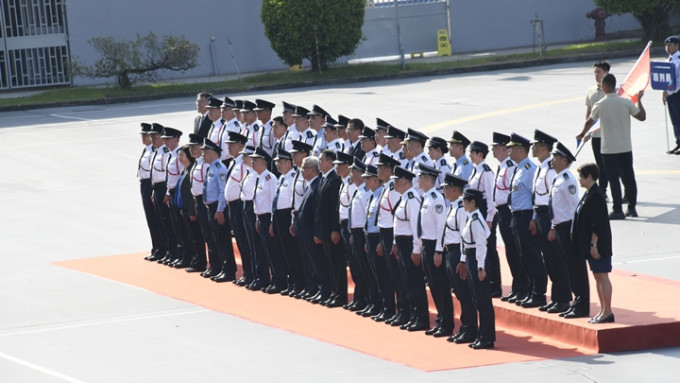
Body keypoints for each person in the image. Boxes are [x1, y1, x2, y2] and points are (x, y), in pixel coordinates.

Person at [578, 73, 646, 219]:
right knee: (629, 177)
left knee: (613, 179)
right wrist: (639, 101)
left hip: (608, 148)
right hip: (625, 147)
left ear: (605, 86)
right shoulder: (626, 102)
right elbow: (642, 117)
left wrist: (583, 133)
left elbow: (590, 121)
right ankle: (632, 208)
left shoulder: (600, 104)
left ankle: (618, 210)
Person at [530, 130, 571, 312]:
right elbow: (537, 196)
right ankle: (556, 297)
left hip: (548, 214)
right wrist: (534, 218)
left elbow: (553, 198)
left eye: (535, 145)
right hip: (540, 214)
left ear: (544, 148)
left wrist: (552, 224)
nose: (532, 148)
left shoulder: (550, 171)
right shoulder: (541, 168)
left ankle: (563, 298)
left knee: (555, 258)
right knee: (549, 258)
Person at [507, 133, 547, 308]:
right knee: (522, 256)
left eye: (512, 149)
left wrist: (533, 219)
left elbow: (535, 196)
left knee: (532, 255)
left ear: (521, 151)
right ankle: (529, 290)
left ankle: (539, 293)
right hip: (517, 216)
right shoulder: (519, 168)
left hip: (526, 216)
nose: (508, 152)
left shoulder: (530, 169)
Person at [572, 163, 614, 323]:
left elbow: (597, 223)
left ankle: (608, 311)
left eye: (581, 176)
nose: (579, 180)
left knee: (602, 276)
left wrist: (593, 245)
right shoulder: (589, 193)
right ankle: (603, 310)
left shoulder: (596, 195)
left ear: (589, 177)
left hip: (598, 244)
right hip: (591, 244)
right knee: (597, 276)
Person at [391, 167, 429, 332]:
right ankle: (414, 316)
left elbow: (415, 226)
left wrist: (416, 249)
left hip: (409, 244)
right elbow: (398, 223)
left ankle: (421, 318)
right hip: (401, 243)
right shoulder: (404, 197)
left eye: (396, 180)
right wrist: (394, 242)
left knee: (415, 282)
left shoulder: (412, 199)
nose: (393, 183)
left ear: (404, 181)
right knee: (407, 281)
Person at [491, 132, 526, 302]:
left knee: (515, 250)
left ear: (505, 149)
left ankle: (522, 287)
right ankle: (516, 286)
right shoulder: (503, 166)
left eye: (496, 147)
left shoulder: (511, 167)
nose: (493, 150)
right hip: (501, 212)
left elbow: (514, 192)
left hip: (508, 211)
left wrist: (511, 212)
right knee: (510, 252)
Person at [416, 164, 450, 338]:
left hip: (433, 246)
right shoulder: (426, 196)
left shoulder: (436, 198)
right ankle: (440, 320)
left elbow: (440, 226)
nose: (418, 180)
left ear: (428, 179)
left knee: (440, 285)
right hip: (426, 244)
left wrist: (438, 250)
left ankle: (446, 323)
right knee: (433, 285)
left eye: (421, 177)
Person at [442, 174, 477, 344]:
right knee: (458, 291)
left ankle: (470, 329)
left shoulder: (461, 209)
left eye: (447, 188)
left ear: (455, 190)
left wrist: (462, 260)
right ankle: (465, 327)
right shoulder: (453, 206)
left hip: (458, 253)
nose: (444, 190)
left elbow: (464, 235)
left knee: (464, 292)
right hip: (450, 251)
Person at [459, 188, 495, 349]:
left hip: (477, 259)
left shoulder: (476, 220)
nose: (463, 203)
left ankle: (487, 337)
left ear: (472, 202)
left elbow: (481, 244)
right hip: (471, 257)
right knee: (477, 298)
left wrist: (481, 267)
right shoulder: (471, 218)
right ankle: (482, 335)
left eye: (465, 201)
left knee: (483, 300)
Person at [250, 147, 288, 293]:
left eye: (255, 161)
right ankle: (273, 279)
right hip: (261, 217)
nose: (252, 163)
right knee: (266, 251)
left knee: (274, 251)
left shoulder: (270, 178)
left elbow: (273, 201)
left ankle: (279, 280)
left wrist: (272, 222)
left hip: (268, 218)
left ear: (263, 163)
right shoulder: (259, 177)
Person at [548, 142, 579, 315]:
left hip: (568, 228)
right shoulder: (558, 177)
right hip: (559, 227)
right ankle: (566, 301)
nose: (552, 160)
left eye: (555, 157)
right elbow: (557, 208)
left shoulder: (567, 180)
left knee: (571, 267)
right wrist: (553, 226)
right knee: (561, 265)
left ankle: (573, 301)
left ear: (563, 159)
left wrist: (574, 231)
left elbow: (574, 207)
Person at [467, 140, 500, 297]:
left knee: (490, 249)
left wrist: (489, 219)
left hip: (484, 212)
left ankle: (494, 284)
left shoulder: (486, 172)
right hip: (476, 212)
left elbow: (490, 197)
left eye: (472, 153)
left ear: (480, 154)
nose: (470, 156)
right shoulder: (476, 169)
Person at [314, 150, 346, 307]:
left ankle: (341, 294)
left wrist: (335, 229)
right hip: (324, 230)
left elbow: (335, 208)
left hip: (331, 230)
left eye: (321, 160)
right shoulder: (324, 179)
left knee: (337, 263)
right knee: (330, 263)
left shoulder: (334, 180)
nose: (319, 162)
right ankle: (335, 292)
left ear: (329, 162)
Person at [201, 138, 236, 282]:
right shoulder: (211, 167)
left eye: (206, 152)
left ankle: (228, 270)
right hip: (211, 207)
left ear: (215, 154)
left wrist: (220, 209)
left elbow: (223, 191)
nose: (203, 155)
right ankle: (221, 267)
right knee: (215, 240)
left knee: (223, 240)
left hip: (218, 208)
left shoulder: (220, 168)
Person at [271, 149, 304, 296]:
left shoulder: (293, 177)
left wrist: (291, 221)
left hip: (287, 216)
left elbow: (294, 202)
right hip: (278, 216)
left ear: (288, 162)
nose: (277, 164)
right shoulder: (282, 178)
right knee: (282, 251)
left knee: (291, 252)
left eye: (280, 162)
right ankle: (290, 282)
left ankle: (297, 283)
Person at [584, 61, 610, 194]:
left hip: (609, 134)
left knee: (611, 165)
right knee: (599, 164)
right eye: (595, 72)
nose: (596, 74)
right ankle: (603, 190)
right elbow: (589, 113)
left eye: (598, 71)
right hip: (596, 135)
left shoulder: (613, 91)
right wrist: (586, 131)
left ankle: (626, 192)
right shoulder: (591, 91)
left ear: (606, 73)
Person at [138, 123, 162, 261]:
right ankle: (156, 247)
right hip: (144, 184)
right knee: (151, 219)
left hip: (151, 184)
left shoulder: (155, 151)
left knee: (156, 219)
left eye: (145, 135)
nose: (143, 137)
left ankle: (161, 248)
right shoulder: (148, 150)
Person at [663, 36, 680, 155]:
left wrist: (668, 92)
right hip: (670, 95)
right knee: (674, 119)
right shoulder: (668, 60)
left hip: (677, 94)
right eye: (666, 45)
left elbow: (678, 81)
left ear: (677, 46)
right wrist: (664, 93)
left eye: (670, 45)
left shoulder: (678, 60)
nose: (667, 48)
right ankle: (678, 142)